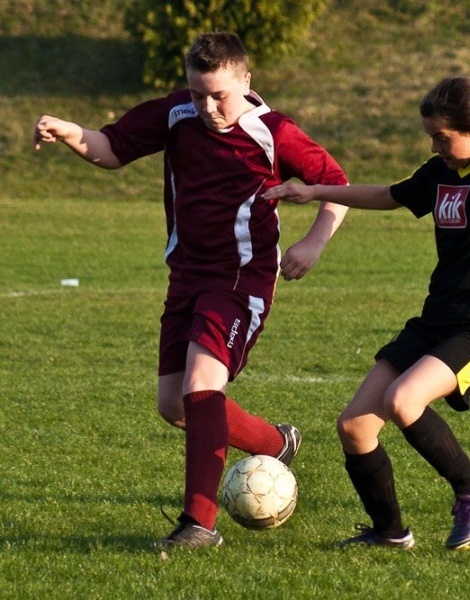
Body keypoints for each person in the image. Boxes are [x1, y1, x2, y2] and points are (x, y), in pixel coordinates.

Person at [33, 32, 350, 549]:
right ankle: (276, 442)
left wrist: (314, 242)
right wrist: (69, 131)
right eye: (198, 92)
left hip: (240, 277)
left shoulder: (274, 132)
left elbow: (335, 184)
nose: (207, 106)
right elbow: (111, 149)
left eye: (219, 94)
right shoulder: (177, 113)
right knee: (175, 407)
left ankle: (198, 524)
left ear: (245, 82)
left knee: (202, 386)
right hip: (185, 275)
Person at [262, 38, 470, 550]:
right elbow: (388, 195)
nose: (435, 147)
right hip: (434, 322)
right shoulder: (440, 172)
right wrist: (313, 191)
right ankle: (389, 532)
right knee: (354, 426)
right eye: (431, 138)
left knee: (403, 400)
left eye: (442, 138)